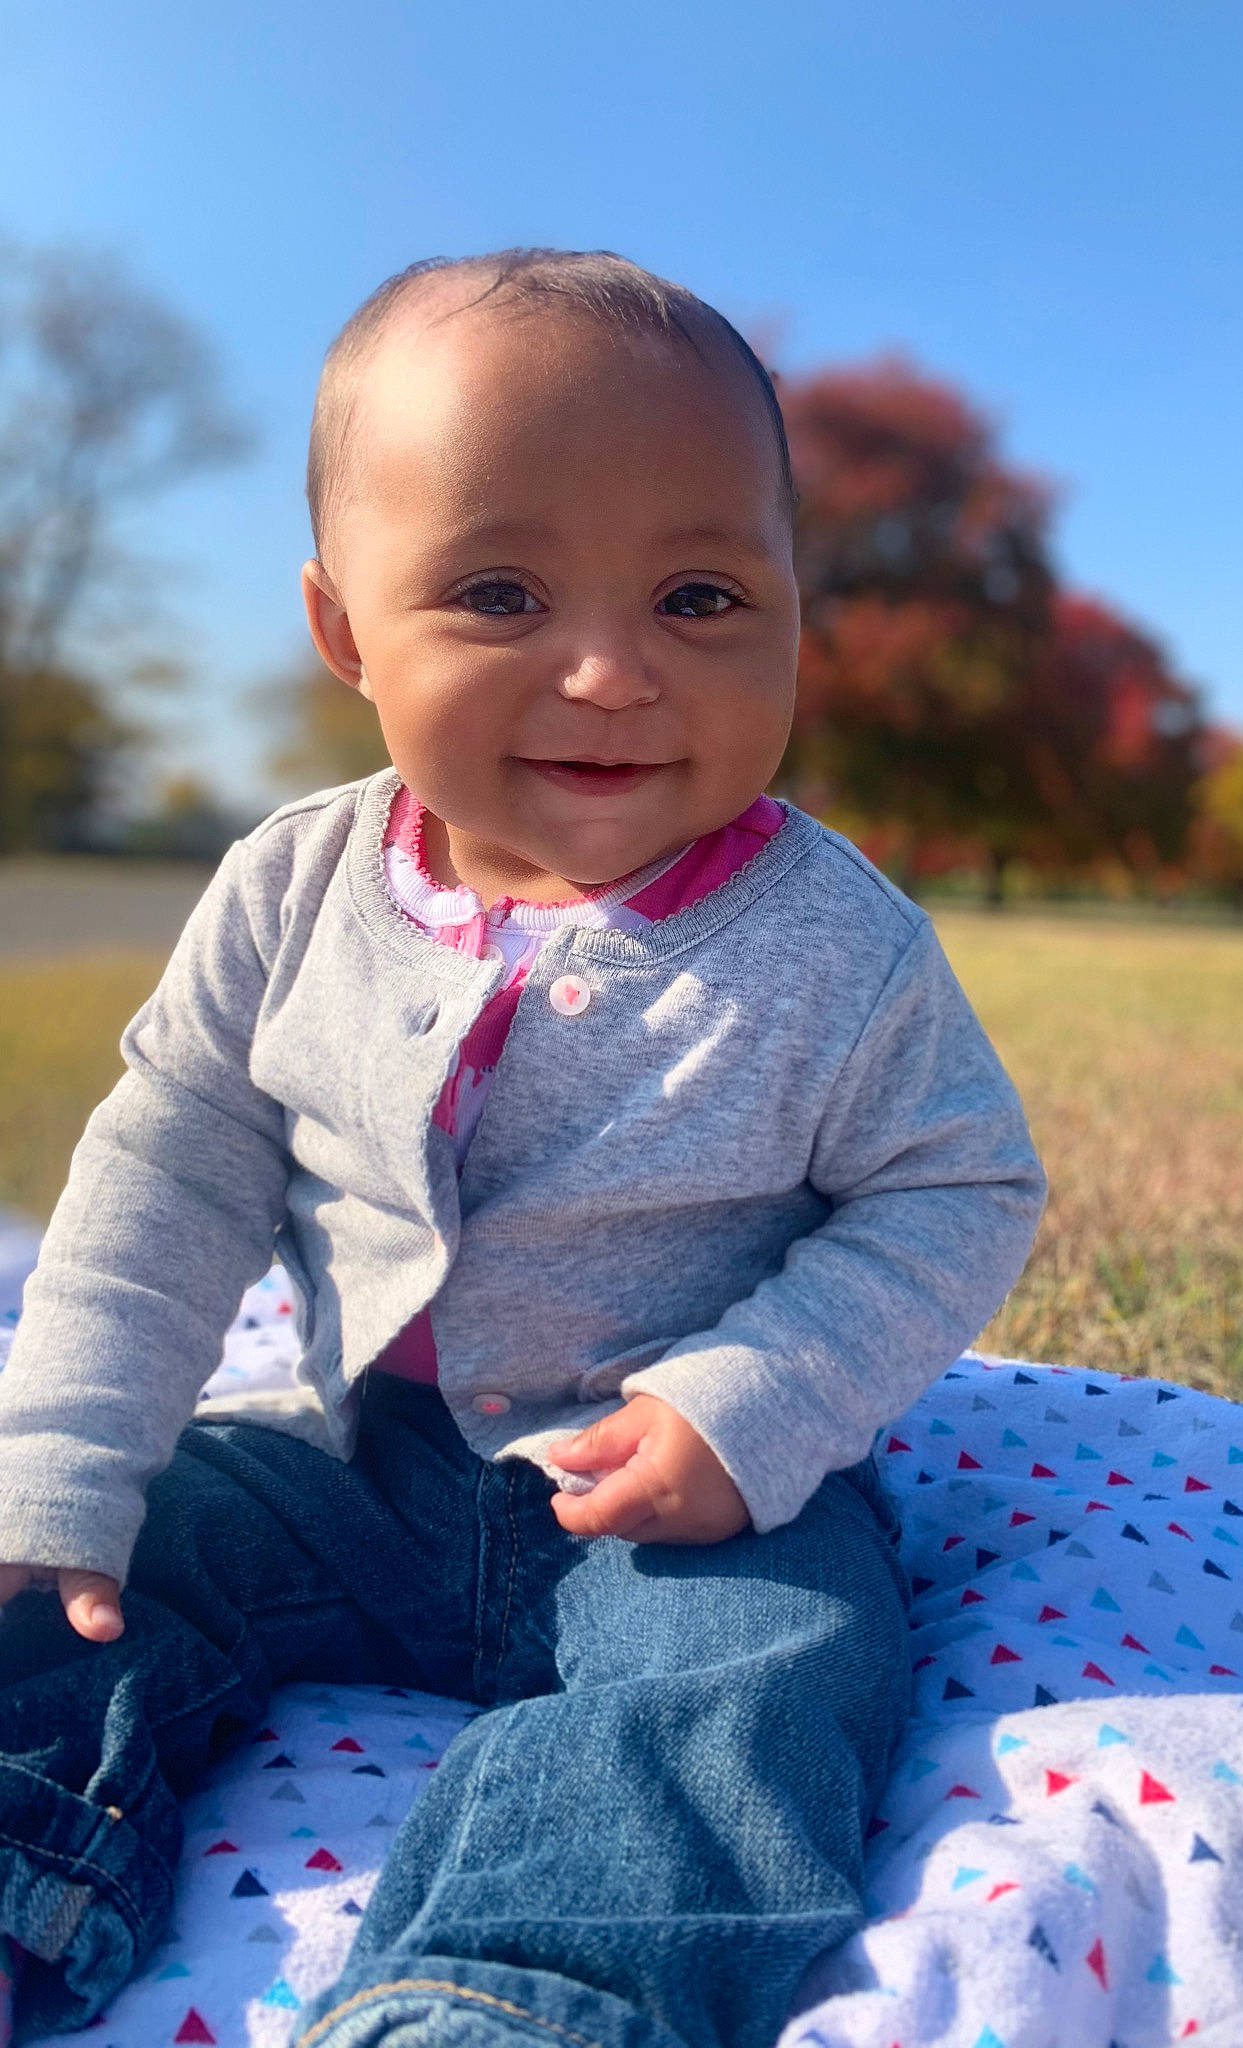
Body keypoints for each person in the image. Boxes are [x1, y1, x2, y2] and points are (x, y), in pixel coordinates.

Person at [0, 250, 1046, 2048]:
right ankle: (34, 1861)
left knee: (760, 1686)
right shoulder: (293, 893)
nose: (610, 672)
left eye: (702, 595)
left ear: (799, 612)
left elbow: (956, 1189)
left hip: (691, 1503)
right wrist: (61, 1469)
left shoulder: (835, 940)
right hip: (357, 1463)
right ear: (347, 634)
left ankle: (510, 1994)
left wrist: (758, 1404)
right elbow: (166, 1177)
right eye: (497, 590)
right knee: (94, 1570)